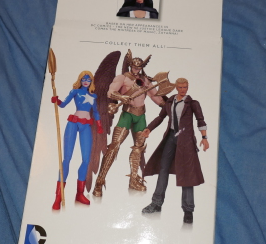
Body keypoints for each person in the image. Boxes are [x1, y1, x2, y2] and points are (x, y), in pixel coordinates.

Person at [92, 50, 166, 196]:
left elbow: (155, 97)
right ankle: (99, 182)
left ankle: (133, 180)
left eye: (139, 67)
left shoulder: (145, 81)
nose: (136, 69)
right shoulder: (123, 77)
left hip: (141, 116)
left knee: (139, 148)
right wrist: (121, 97)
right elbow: (110, 92)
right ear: (131, 65)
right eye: (134, 66)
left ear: (142, 67)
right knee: (114, 146)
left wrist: (167, 106)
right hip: (127, 114)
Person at [141, 78, 209, 223]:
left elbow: (200, 120)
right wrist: (149, 128)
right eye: (180, 87)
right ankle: (156, 203)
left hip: (186, 140)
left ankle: (188, 209)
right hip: (171, 137)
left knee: (187, 173)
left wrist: (204, 137)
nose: (183, 89)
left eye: (185, 87)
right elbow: (161, 117)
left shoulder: (192, 103)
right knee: (163, 168)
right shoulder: (170, 102)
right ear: (176, 88)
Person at [51, 71, 103, 210]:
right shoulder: (75, 92)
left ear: (91, 82)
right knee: (66, 158)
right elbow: (63, 104)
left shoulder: (93, 96)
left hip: (86, 125)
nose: (86, 81)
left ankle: (79, 194)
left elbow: (95, 111)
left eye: (88, 79)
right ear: (80, 80)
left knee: (86, 159)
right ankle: (58, 197)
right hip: (73, 124)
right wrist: (57, 100)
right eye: (83, 79)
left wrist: (99, 124)